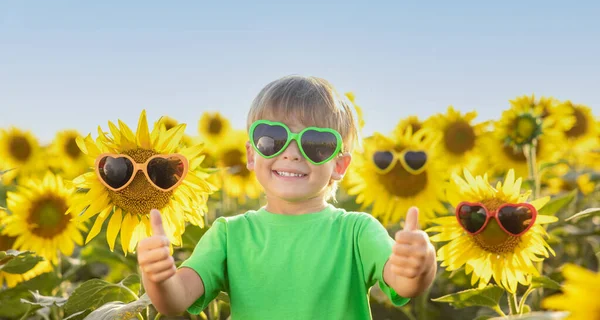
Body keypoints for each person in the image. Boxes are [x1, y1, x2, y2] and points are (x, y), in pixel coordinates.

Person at [138, 75, 437, 319]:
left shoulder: (357, 232)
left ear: (339, 165)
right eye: (272, 139)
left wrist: (420, 264)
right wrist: (159, 278)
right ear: (252, 155)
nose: (291, 153)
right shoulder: (230, 235)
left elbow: (403, 282)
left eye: (316, 143)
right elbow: (177, 299)